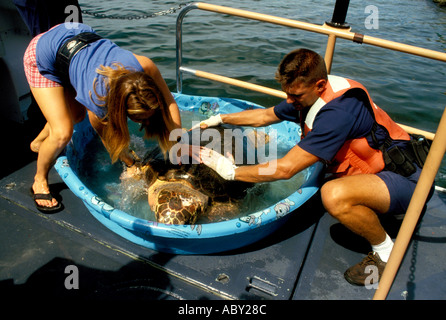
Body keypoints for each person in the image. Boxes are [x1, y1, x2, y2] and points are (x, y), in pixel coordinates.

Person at [197, 48, 432, 286]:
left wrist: (230, 171)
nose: (289, 101)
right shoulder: (310, 95)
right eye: (287, 94)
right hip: (382, 171)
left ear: (319, 85)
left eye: (295, 95)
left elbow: (286, 169)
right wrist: (220, 119)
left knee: (333, 196)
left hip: (408, 181)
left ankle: (385, 251)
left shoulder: (337, 112)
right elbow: (266, 116)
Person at [24, 23, 181, 213]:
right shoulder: (98, 98)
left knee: (76, 115)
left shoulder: (145, 65)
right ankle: (39, 180)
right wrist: (131, 164)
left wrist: (177, 143)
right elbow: (109, 136)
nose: (146, 123)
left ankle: (39, 141)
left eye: (148, 117)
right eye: (139, 119)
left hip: (76, 37)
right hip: (42, 52)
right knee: (63, 133)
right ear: (118, 110)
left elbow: (170, 103)